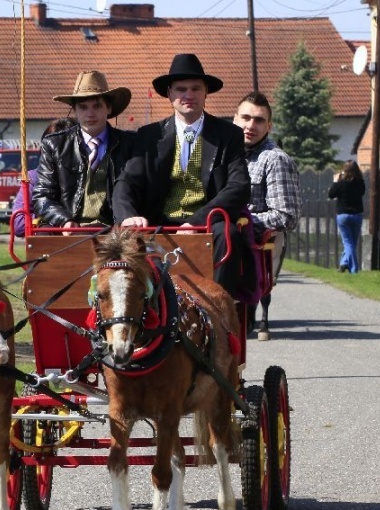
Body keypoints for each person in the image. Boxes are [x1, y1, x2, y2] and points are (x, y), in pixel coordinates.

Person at [112, 53, 253, 296]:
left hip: (208, 225)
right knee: (121, 241)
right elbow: (126, 183)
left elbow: (238, 186)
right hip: (158, 222)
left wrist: (197, 221)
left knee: (228, 234)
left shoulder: (229, 134)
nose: (188, 95)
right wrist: (129, 216)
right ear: (169, 94)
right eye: (181, 89)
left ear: (206, 91)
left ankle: (220, 308)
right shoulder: (148, 135)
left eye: (195, 88)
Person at [32, 71, 135, 234]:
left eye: (97, 106)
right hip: (66, 228)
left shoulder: (130, 144)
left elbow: (138, 190)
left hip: (114, 229)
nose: (90, 113)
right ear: (74, 110)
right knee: (42, 239)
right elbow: (42, 197)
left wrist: (129, 217)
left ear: (108, 108)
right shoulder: (54, 144)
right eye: (83, 107)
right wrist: (64, 220)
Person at [233, 91, 301, 336]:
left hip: (254, 248)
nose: (251, 125)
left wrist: (240, 223)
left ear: (269, 126)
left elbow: (286, 216)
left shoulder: (275, 160)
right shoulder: (224, 153)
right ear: (235, 119)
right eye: (246, 117)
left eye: (259, 120)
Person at [12, 117, 77, 237]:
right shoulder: (33, 178)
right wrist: (50, 218)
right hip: (47, 244)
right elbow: (19, 225)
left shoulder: (88, 174)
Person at [328, 160, 365, 273]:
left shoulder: (341, 184)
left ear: (344, 171)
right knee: (352, 242)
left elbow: (331, 195)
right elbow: (362, 193)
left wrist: (335, 181)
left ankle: (350, 267)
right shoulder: (360, 183)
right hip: (357, 215)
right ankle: (347, 264)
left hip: (343, 216)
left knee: (348, 243)